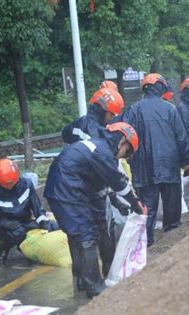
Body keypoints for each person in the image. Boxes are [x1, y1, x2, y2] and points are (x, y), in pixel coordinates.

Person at [44, 122, 146, 299]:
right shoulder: (103, 152)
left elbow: (102, 185)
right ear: (122, 140)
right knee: (86, 235)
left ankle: (84, 280)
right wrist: (135, 203)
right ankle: (95, 287)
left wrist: (120, 203)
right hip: (67, 190)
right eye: (127, 152)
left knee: (80, 234)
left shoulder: (98, 147)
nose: (125, 157)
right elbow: (117, 181)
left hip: (67, 189)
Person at [60, 87, 129, 291]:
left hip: (74, 185)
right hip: (91, 185)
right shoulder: (99, 132)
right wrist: (118, 197)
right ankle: (106, 274)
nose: (112, 118)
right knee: (101, 228)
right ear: (103, 110)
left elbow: (65, 134)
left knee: (77, 232)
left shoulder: (78, 125)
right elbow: (104, 167)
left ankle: (81, 278)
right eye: (111, 114)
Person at [120, 73, 189, 247]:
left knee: (147, 208)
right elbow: (181, 138)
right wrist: (187, 160)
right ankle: (172, 238)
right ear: (161, 87)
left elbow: (124, 136)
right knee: (172, 205)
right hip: (169, 164)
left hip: (143, 167)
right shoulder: (170, 109)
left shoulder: (134, 110)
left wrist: (130, 159)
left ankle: (146, 244)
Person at [0, 158, 58, 266]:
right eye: (6, 185)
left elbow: (37, 208)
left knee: (55, 226)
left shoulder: (26, 185)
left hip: (25, 222)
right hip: (6, 229)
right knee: (17, 232)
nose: (10, 186)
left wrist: (44, 222)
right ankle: (3, 251)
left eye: (12, 183)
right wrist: (1, 223)